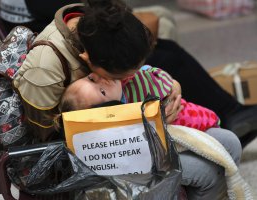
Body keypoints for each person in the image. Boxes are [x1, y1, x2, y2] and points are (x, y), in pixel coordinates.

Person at [13, 1, 242, 199]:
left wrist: (172, 84)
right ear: (87, 60)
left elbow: (138, 78)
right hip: (95, 152)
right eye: (120, 77)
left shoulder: (100, 27)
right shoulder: (45, 70)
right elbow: (52, 143)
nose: (127, 81)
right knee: (209, 173)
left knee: (229, 142)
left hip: (129, 132)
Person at [58, 66, 220, 132]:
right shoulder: (128, 121)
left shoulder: (123, 76)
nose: (103, 81)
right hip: (185, 128)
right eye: (102, 92)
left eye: (91, 79)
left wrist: (174, 84)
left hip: (192, 110)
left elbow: (145, 69)